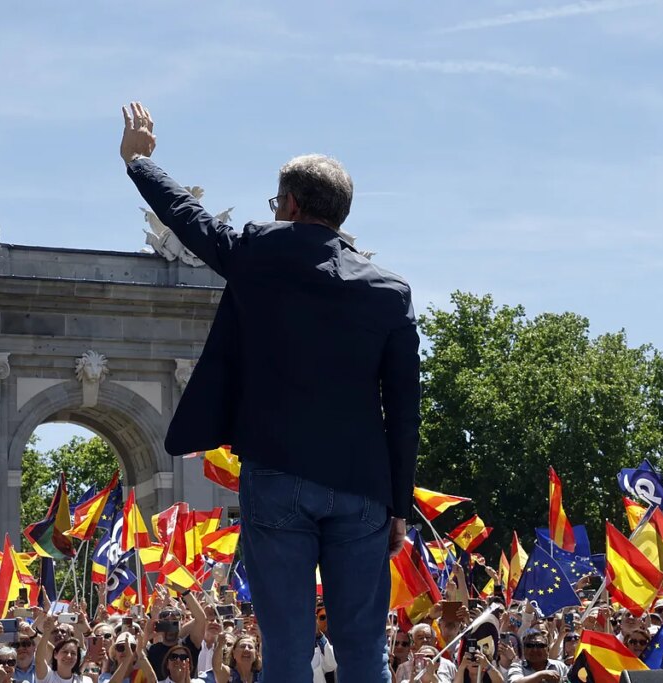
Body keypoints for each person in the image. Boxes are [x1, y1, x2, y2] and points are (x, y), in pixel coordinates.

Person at [121, 101, 420, 683]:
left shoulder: (259, 254)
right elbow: (404, 409)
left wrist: (139, 161)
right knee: (364, 652)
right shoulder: (389, 292)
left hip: (277, 477)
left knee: (284, 650)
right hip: (363, 488)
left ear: (289, 205)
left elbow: (190, 218)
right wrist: (399, 505)